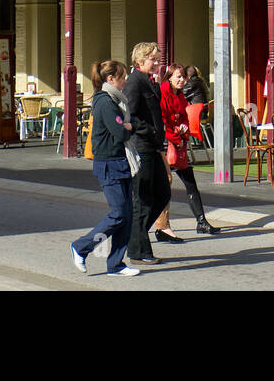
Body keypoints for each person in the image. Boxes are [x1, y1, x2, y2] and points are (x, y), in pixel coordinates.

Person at [71, 59, 140, 277]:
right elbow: (120, 133)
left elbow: (124, 128)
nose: (125, 80)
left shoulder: (115, 100)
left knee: (127, 216)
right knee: (119, 213)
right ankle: (81, 247)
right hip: (109, 163)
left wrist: (128, 126)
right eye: (122, 77)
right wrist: (129, 127)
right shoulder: (105, 102)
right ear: (110, 79)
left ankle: (116, 264)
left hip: (120, 161)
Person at [153, 64, 220, 242]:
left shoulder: (180, 95)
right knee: (164, 186)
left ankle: (201, 221)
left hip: (179, 142)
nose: (182, 80)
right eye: (178, 77)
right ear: (169, 78)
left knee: (190, 182)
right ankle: (160, 227)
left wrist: (183, 127)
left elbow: (183, 115)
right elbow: (161, 120)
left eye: (183, 77)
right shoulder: (163, 93)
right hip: (167, 142)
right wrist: (175, 130)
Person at [124, 41, 170, 265]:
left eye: (157, 59)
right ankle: (139, 249)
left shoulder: (149, 81)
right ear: (140, 61)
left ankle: (136, 240)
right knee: (144, 199)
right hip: (141, 146)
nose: (156, 62)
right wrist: (149, 130)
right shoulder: (134, 82)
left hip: (153, 146)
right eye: (152, 59)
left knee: (162, 194)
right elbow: (129, 115)